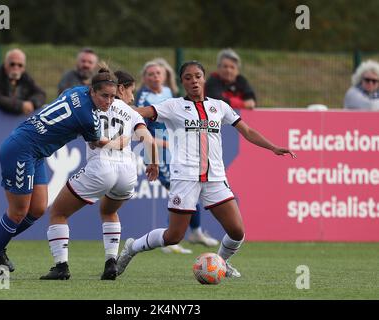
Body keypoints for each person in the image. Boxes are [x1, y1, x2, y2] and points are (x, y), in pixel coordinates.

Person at [117, 61, 296, 279]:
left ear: (204, 78)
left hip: (215, 178)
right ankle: (132, 248)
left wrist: (273, 147)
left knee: (237, 231)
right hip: (185, 177)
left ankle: (221, 262)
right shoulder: (172, 106)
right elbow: (140, 112)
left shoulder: (219, 106)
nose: (194, 81)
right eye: (188, 77)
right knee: (174, 236)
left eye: (198, 76)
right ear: (182, 82)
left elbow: (247, 131)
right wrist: (114, 106)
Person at [0, 68, 127, 280]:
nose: (109, 101)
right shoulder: (88, 117)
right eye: (105, 96)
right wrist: (118, 142)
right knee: (18, 212)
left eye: (113, 96)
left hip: (36, 152)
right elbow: (97, 142)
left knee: (38, 209)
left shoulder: (75, 90)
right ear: (93, 91)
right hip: (21, 149)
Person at [40, 70, 158, 281]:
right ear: (121, 89)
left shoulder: (90, 106)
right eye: (131, 89)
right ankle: (111, 262)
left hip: (101, 166)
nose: (132, 94)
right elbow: (147, 138)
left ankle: (61, 266)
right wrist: (154, 162)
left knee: (58, 212)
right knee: (108, 211)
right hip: (127, 171)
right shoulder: (131, 112)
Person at [135, 60, 219, 254]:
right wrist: (154, 144)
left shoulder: (168, 94)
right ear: (144, 78)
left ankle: (195, 232)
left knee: (189, 191)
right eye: (150, 74)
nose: (155, 76)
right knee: (179, 191)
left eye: (158, 73)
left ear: (165, 76)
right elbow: (140, 123)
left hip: (172, 150)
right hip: (156, 150)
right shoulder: (143, 96)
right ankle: (170, 239)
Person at [0, 48, 46, 115]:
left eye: (20, 65)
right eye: (12, 64)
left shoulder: (25, 77)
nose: (16, 68)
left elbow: (41, 93)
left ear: (23, 68)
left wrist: (32, 103)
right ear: (5, 64)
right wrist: (20, 106)